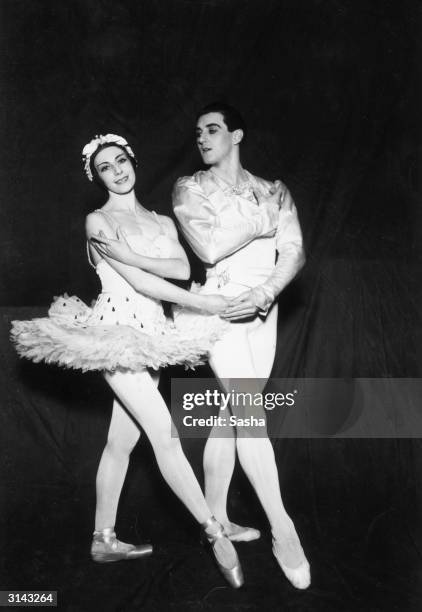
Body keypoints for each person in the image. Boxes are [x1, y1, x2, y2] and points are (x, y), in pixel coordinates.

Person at [11, 133, 244, 589]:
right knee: (166, 436)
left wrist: (133, 254)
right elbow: (147, 284)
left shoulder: (160, 221)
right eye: (105, 168)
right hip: (116, 335)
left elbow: (181, 269)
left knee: (121, 442)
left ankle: (103, 538)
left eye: (121, 161)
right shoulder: (96, 220)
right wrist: (208, 303)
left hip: (153, 336)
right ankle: (214, 533)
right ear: (96, 177)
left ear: (132, 162)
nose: (117, 171)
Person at [171, 103, 311, 589]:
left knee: (234, 417)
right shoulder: (190, 188)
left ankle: (217, 518)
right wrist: (265, 215)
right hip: (220, 310)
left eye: (213, 129)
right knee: (250, 412)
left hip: (260, 309)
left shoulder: (272, 188)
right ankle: (283, 528)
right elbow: (209, 248)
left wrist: (265, 292)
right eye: (198, 132)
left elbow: (293, 251)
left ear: (237, 134)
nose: (203, 138)